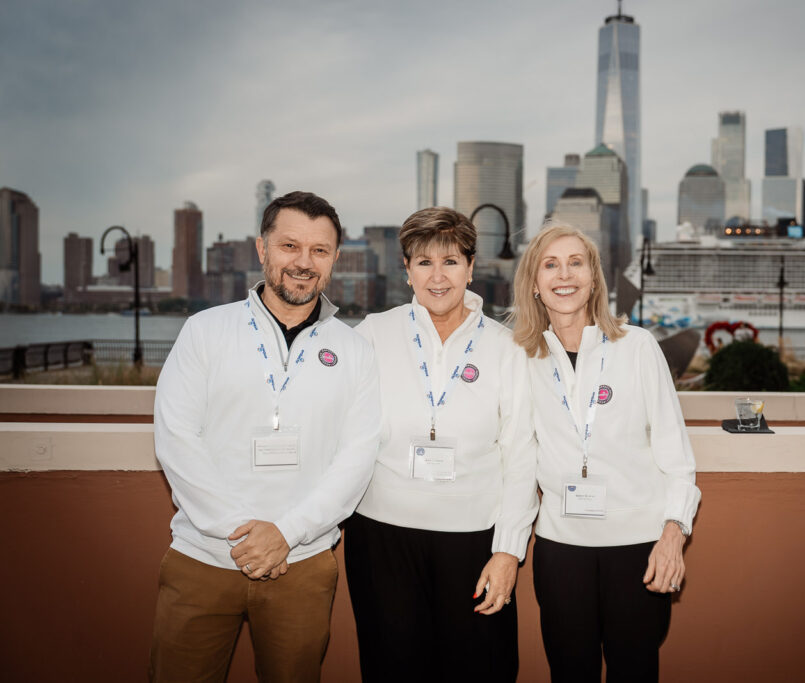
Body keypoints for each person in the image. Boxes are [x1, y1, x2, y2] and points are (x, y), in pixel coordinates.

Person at [149, 191, 381, 682]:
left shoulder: (355, 350)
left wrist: (286, 534)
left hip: (303, 563)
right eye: (289, 246)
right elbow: (175, 437)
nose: (303, 262)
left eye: (319, 250)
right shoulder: (205, 331)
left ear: (335, 258)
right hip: (203, 558)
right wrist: (244, 534)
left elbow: (357, 458)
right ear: (262, 249)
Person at [344, 206, 537, 682]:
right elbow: (340, 430)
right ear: (406, 270)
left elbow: (522, 455)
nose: (438, 275)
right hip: (381, 539)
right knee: (391, 669)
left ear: (471, 268)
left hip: (474, 543)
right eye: (424, 261)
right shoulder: (371, 334)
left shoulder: (507, 347)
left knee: (480, 669)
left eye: (450, 261)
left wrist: (508, 550)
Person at [511, 221, 701, 683]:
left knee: (635, 672)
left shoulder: (637, 348)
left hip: (637, 550)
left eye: (577, 263)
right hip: (561, 552)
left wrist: (673, 535)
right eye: (550, 265)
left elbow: (678, 462)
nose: (565, 275)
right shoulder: (520, 357)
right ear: (534, 284)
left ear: (594, 278)